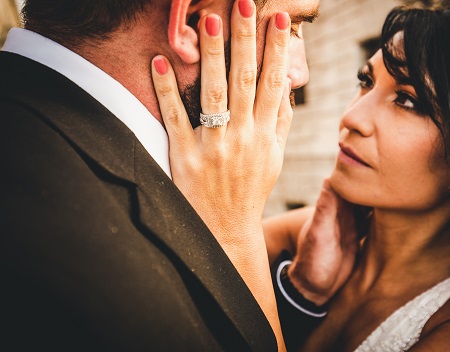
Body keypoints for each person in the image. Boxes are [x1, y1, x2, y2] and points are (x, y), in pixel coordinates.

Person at [152, 5, 450, 351]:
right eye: (366, 81)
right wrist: (299, 292)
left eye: (408, 100)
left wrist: (233, 230)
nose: (351, 117)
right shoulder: (311, 234)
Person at [0, 0, 319, 350]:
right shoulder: (117, 292)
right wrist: (236, 234)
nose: (300, 73)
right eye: (290, 28)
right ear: (191, 21)